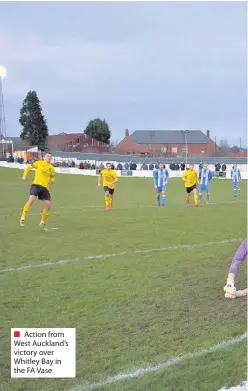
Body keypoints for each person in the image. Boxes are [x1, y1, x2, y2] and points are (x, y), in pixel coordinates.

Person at [20, 152, 55, 230]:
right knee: (31, 200)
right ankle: (23, 217)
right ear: (44, 157)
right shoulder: (39, 163)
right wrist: (24, 176)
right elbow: (28, 168)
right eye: (48, 156)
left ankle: (42, 223)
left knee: (48, 205)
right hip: (36, 185)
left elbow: (52, 177)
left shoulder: (52, 168)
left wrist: (52, 180)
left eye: (50, 156)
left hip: (45, 188)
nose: (49, 157)